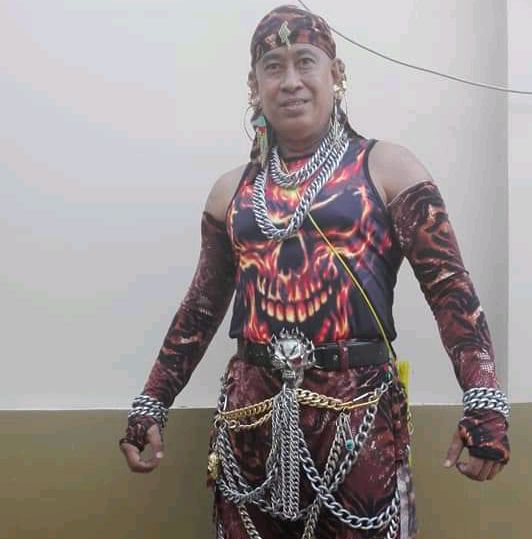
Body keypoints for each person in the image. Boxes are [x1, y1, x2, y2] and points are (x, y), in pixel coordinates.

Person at [119, 5, 510, 539]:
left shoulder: (390, 169)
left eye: (305, 61)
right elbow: (200, 310)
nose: (291, 81)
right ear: (254, 85)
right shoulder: (232, 192)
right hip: (250, 422)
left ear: (336, 73)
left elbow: (451, 293)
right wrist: (152, 403)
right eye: (273, 66)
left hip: (357, 421)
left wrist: (485, 403)